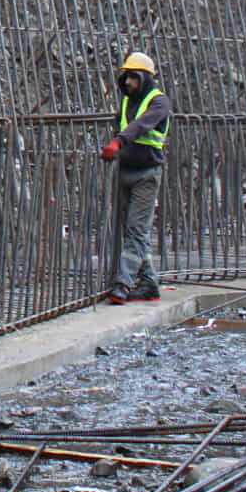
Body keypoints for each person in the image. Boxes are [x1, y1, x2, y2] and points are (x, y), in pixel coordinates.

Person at [99, 50, 170, 304]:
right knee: (131, 231)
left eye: (133, 77)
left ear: (145, 78)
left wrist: (118, 142)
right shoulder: (127, 101)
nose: (128, 82)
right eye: (125, 77)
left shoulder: (159, 102)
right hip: (125, 170)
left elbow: (142, 125)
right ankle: (149, 282)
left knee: (137, 229)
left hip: (147, 174)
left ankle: (123, 284)